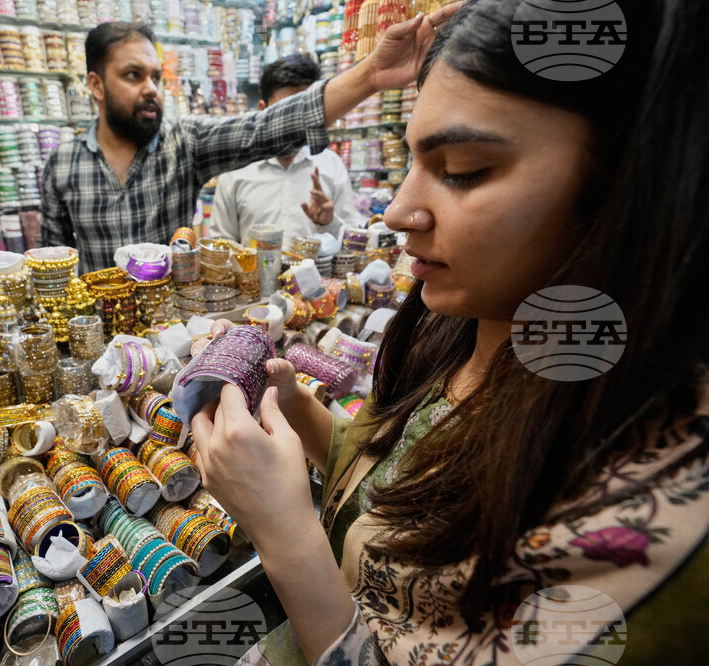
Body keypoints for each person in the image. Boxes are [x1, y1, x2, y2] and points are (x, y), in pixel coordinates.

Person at [192, 1, 709, 664]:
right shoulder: (461, 326)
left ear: (632, 183)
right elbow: (407, 467)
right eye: (411, 162)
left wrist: (284, 534)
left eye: (462, 170)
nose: (402, 211)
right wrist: (306, 424)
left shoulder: (656, 516)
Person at [40, 20, 447, 272]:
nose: (150, 89)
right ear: (96, 85)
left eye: (155, 77)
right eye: (133, 75)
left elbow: (266, 127)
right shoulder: (63, 164)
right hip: (94, 338)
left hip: (170, 334)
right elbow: (50, 263)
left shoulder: (184, 143)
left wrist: (372, 74)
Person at [205, 55, 365, 250]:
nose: (297, 122)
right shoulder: (236, 170)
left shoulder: (331, 166)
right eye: (287, 112)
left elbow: (353, 244)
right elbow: (220, 246)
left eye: (305, 111)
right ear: (263, 109)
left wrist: (328, 222)